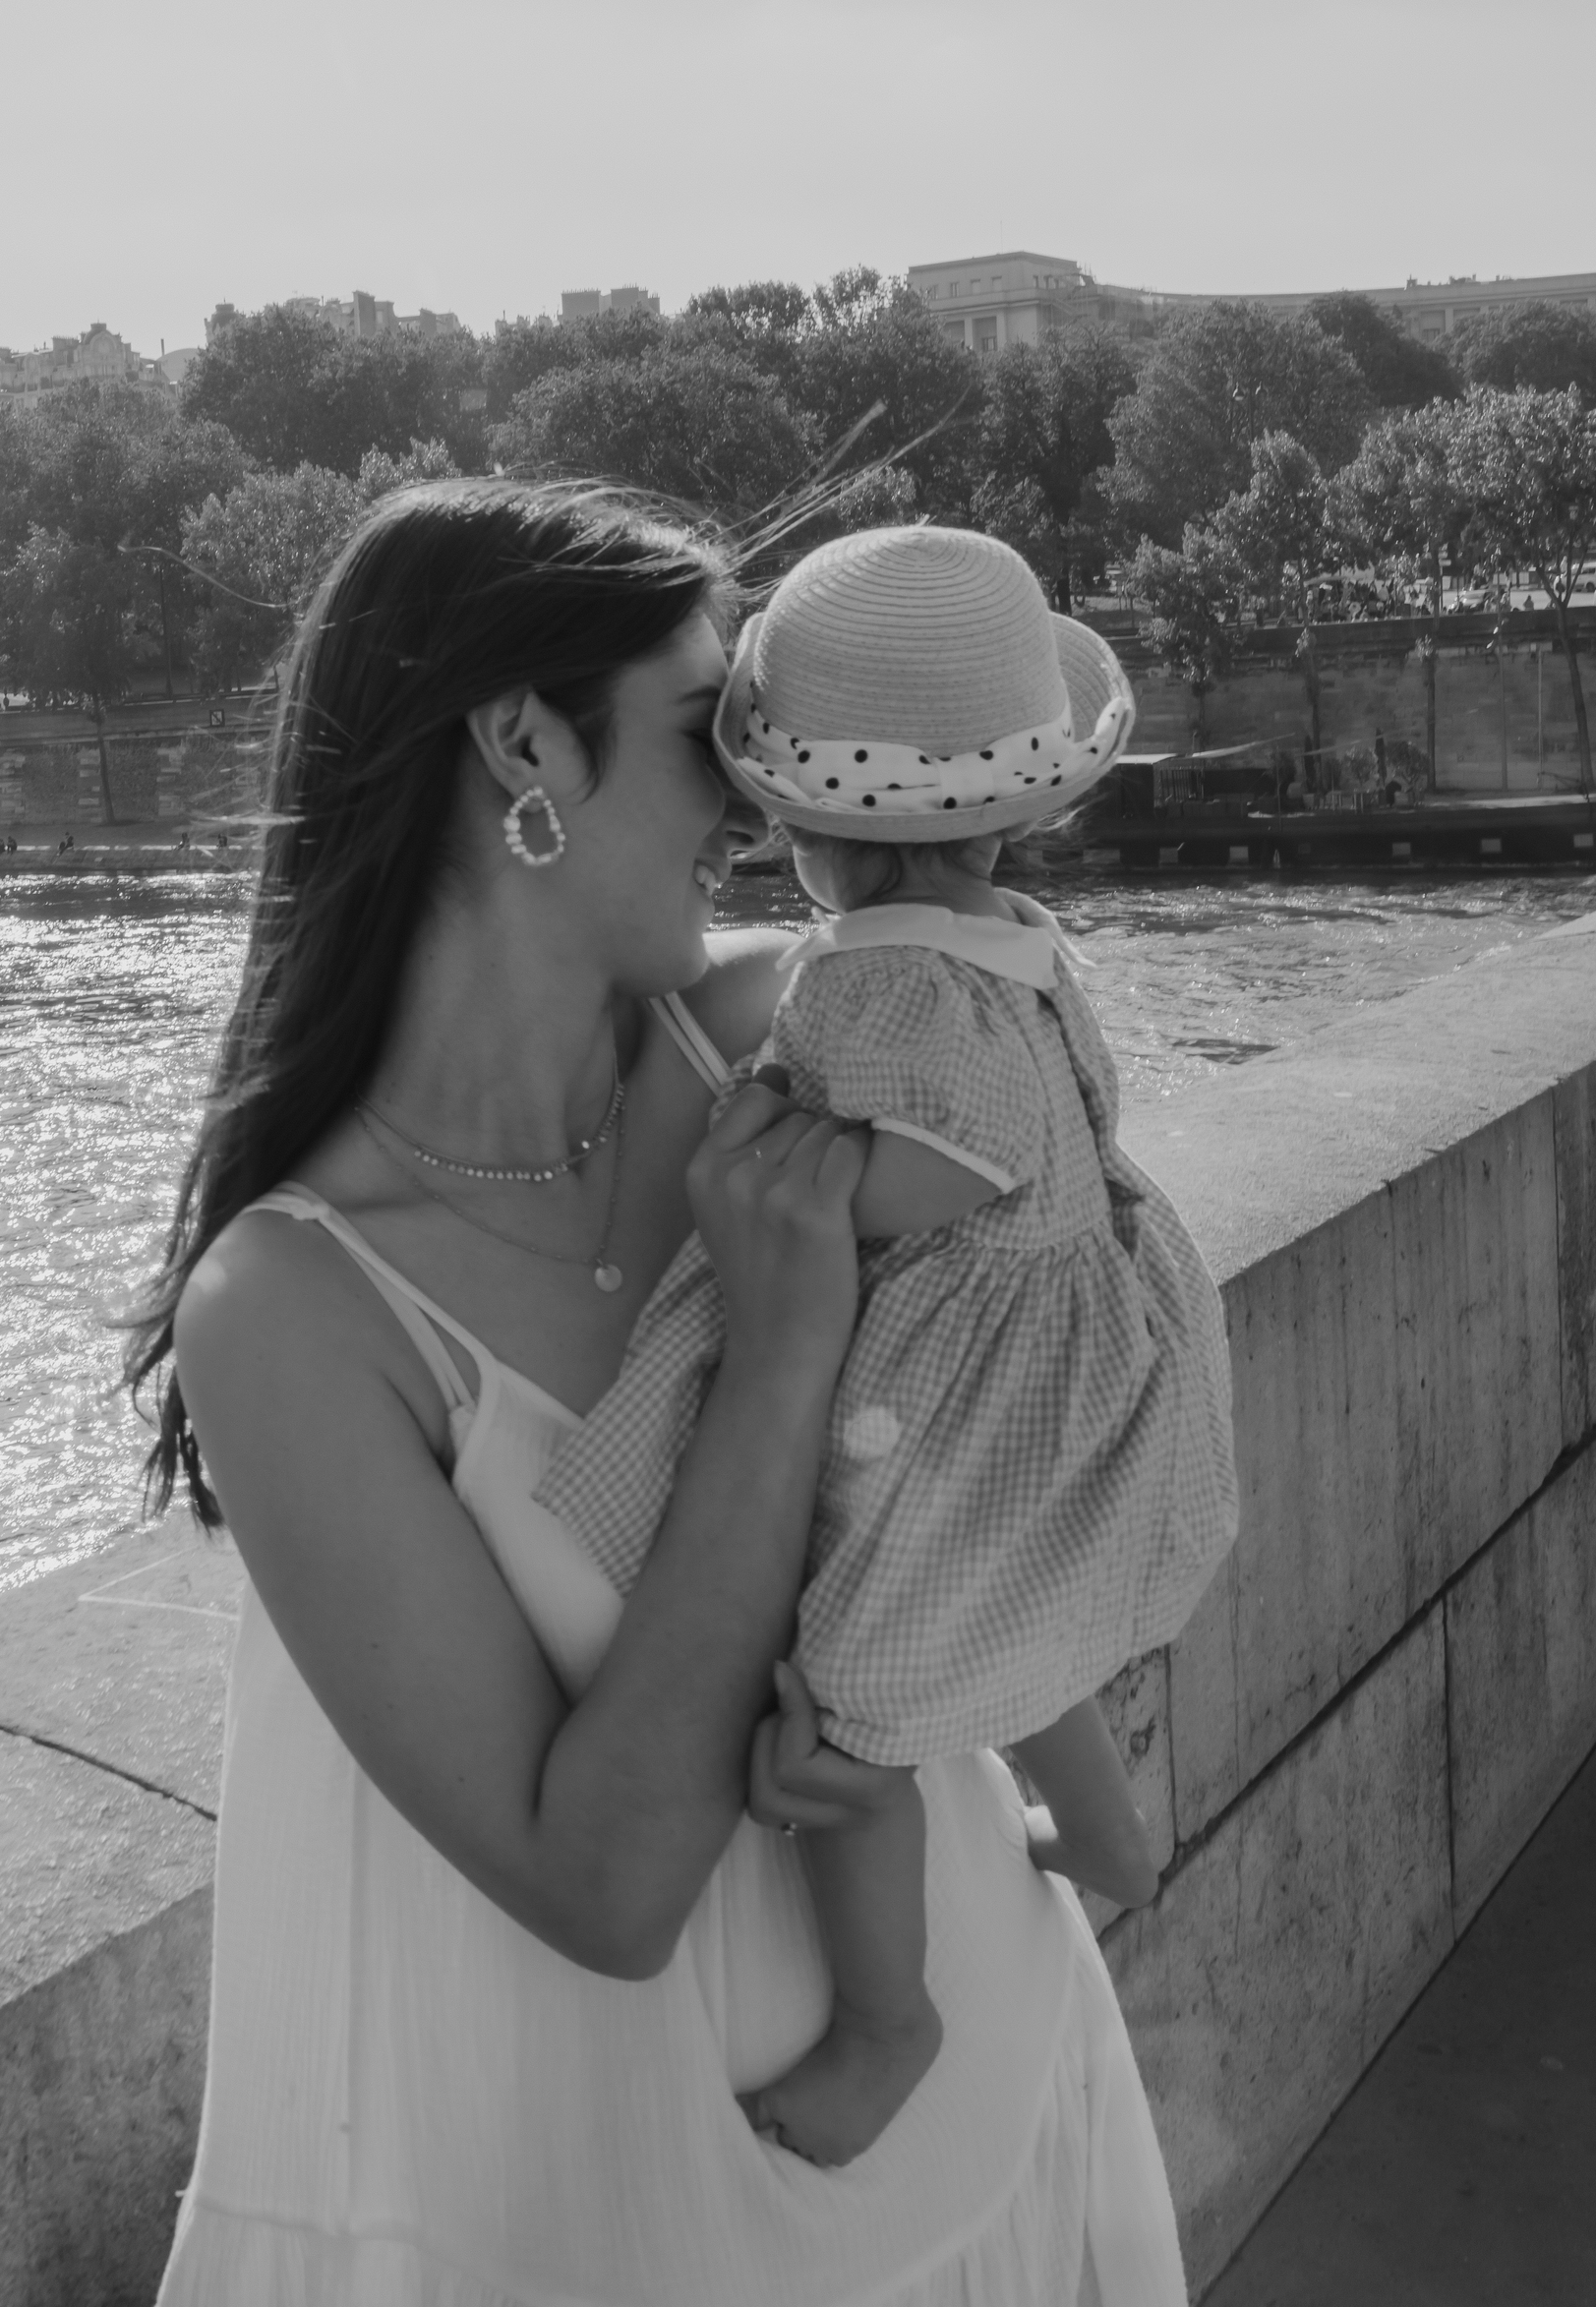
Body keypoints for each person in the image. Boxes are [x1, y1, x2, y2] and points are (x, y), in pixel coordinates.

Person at [133, 479, 1189, 2307]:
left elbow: (1026, 1363)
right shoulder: (291, 1312)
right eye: (719, 732)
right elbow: (605, 1888)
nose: (774, 796)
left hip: (1002, 2111)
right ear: (523, 742)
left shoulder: (814, 1029)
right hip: (646, 2231)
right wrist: (779, 1350)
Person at [539, 525, 1240, 2168]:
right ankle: (1113, 1835)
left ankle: (884, 2024)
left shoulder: (871, 984)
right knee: (1029, 1605)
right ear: (1029, 800)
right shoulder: (1017, 940)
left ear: (794, 824)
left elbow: (943, 1161)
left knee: (853, 1697)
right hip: (1078, 1338)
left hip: (966, 1385)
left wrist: (794, 1161)